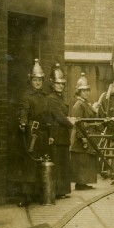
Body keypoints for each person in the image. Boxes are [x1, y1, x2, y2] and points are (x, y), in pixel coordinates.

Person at [17, 58, 50, 207]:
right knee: (29, 164)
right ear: (31, 80)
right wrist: (23, 122)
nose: (37, 82)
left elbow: (48, 115)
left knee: (42, 162)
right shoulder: (26, 96)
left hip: (43, 133)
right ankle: (26, 195)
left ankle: (39, 193)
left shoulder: (45, 96)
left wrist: (50, 134)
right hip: (31, 133)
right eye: (35, 80)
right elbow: (24, 109)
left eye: (40, 80)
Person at [47, 64, 75, 199]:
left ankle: (61, 191)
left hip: (62, 135)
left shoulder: (58, 98)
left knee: (63, 163)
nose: (61, 86)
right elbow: (59, 117)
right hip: (57, 135)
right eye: (58, 84)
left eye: (62, 84)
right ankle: (57, 191)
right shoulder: (52, 98)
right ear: (52, 84)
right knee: (58, 163)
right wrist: (71, 123)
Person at [70, 73, 98, 191]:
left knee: (85, 160)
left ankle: (83, 182)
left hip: (87, 133)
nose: (86, 92)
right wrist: (83, 137)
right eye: (83, 91)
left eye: (87, 90)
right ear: (79, 92)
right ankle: (80, 183)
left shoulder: (85, 103)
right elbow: (78, 123)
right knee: (81, 160)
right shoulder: (79, 104)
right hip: (80, 135)